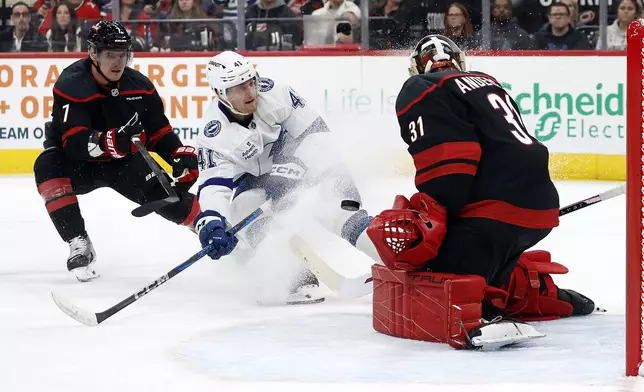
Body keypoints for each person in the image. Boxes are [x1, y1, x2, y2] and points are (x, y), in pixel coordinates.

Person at [366, 34, 596, 347]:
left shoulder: (421, 87)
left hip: (491, 214)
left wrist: (435, 211)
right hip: (539, 208)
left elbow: (452, 167)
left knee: (433, 272)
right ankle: (526, 292)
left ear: (417, 67)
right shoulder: (487, 82)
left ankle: (505, 295)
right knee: (488, 259)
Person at [194, 51, 376, 305]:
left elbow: (317, 136)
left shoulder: (276, 93)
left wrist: (303, 169)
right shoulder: (214, 135)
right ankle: (294, 277)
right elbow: (214, 185)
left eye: (251, 82)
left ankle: (384, 248)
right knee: (241, 211)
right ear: (221, 93)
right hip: (253, 180)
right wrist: (212, 221)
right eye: (239, 88)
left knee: (334, 204)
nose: (250, 93)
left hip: (299, 160)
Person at [34, 21, 200, 282]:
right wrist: (109, 141)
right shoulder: (72, 83)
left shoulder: (140, 86)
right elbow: (74, 142)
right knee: (46, 165)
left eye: (122, 55)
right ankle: (78, 241)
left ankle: (207, 225)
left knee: (165, 196)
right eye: (110, 55)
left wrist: (178, 154)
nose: (118, 62)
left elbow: (159, 132)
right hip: (77, 163)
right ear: (92, 53)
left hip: (121, 161)